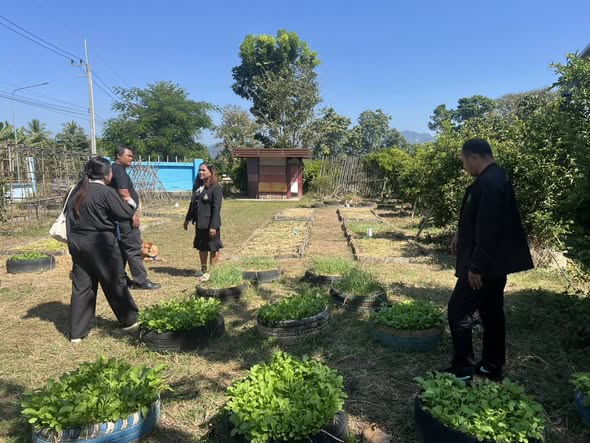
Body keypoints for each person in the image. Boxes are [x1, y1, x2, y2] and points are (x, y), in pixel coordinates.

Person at [446, 138, 533, 381]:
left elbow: (489, 229)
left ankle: (462, 370)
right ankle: (491, 366)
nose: (464, 166)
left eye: (464, 161)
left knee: (458, 311)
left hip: (483, 265)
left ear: (473, 156)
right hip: (494, 264)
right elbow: (479, 216)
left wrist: (476, 267)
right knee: (491, 312)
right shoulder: (495, 178)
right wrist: (459, 233)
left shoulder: (489, 183)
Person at [66, 157, 140, 343]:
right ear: (107, 174)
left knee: (82, 287)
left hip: (78, 243)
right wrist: (130, 202)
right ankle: (129, 320)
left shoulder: (75, 190)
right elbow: (125, 214)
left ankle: (77, 332)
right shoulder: (105, 192)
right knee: (114, 281)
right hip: (101, 244)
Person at [109, 145, 160, 290]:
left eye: (132, 156)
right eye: (129, 156)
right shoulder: (119, 171)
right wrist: (132, 213)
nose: (131, 158)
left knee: (121, 250)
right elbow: (124, 193)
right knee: (133, 249)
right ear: (119, 156)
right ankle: (141, 281)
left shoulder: (116, 170)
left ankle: (121, 280)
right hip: (125, 217)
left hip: (119, 217)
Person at [183, 162, 223, 278]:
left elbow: (216, 208)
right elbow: (192, 204)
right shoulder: (197, 187)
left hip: (211, 223)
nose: (201, 172)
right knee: (202, 246)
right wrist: (187, 219)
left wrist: (213, 226)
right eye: (199, 170)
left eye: (203, 170)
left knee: (213, 247)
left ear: (211, 172)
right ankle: (203, 270)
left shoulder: (215, 188)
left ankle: (212, 272)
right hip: (200, 223)